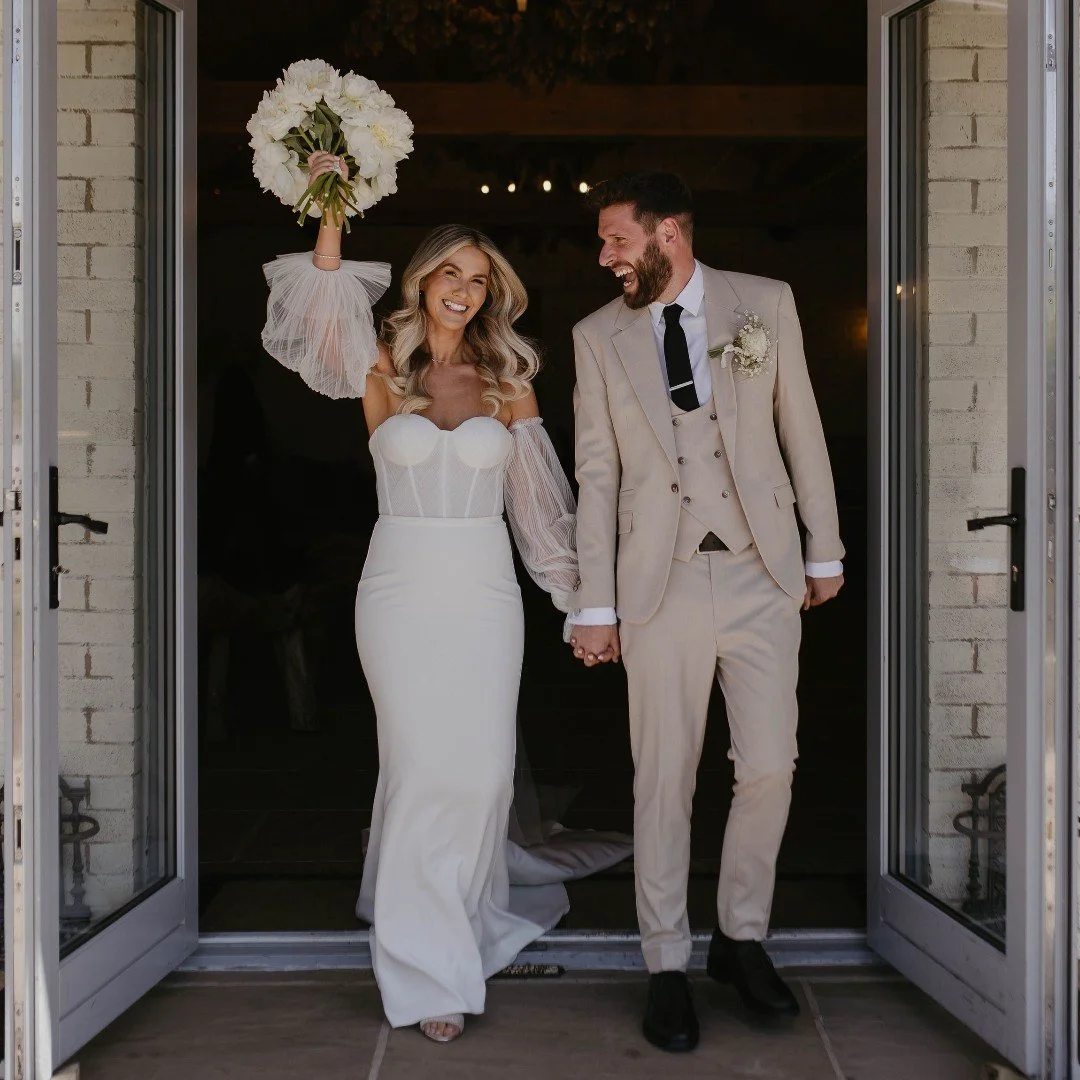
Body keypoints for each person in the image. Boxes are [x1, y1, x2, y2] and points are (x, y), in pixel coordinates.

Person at [260, 151, 631, 1044]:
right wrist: (331, 204)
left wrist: (581, 604)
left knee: (482, 773)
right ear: (422, 281)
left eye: (479, 278)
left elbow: (540, 506)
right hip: (397, 589)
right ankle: (428, 972)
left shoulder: (509, 380)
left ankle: (456, 918)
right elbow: (316, 309)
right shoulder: (380, 366)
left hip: (484, 590)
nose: (464, 291)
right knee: (421, 769)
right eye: (451, 274)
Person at [568, 172, 845, 1052]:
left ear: (670, 234)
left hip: (764, 571)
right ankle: (665, 963)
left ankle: (740, 937)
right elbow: (597, 475)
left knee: (769, 765)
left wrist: (824, 547)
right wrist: (595, 603)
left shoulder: (764, 303)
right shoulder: (597, 336)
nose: (605, 256)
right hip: (661, 581)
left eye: (618, 238)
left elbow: (801, 425)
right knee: (664, 776)